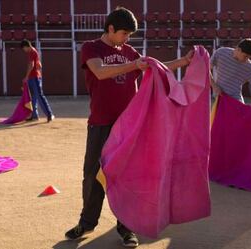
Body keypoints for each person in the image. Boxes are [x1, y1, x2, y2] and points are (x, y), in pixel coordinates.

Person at [64, 7, 194, 248]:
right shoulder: (91, 48)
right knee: (93, 175)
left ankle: (126, 227)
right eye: (124, 33)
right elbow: (100, 72)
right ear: (111, 29)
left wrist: (184, 62)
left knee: (128, 176)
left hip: (129, 126)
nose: (127, 38)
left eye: (129, 35)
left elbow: (156, 67)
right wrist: (133, 65)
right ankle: (87, 222)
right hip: (101, 123)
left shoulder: (129, 51)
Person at [210, 38, 251, 103]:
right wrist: (214, 86)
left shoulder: (248, 65)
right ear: (239, 49)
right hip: (220, 98)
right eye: (245, 56)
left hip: (236, 99)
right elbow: (206, 69)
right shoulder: (221, 52)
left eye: (249, 57)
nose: (246, 59)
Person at [20, 39, 54, 122]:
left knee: (39, 95)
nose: (24, 50)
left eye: (23, 48)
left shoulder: (32, 52)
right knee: (34, 97)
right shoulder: (34, 51)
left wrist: (26, 77)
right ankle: (35, 115)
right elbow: (39, 65)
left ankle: (49, 114)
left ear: (26, 46)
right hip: (35, 77)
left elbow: (31, 65)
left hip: (34, 77)